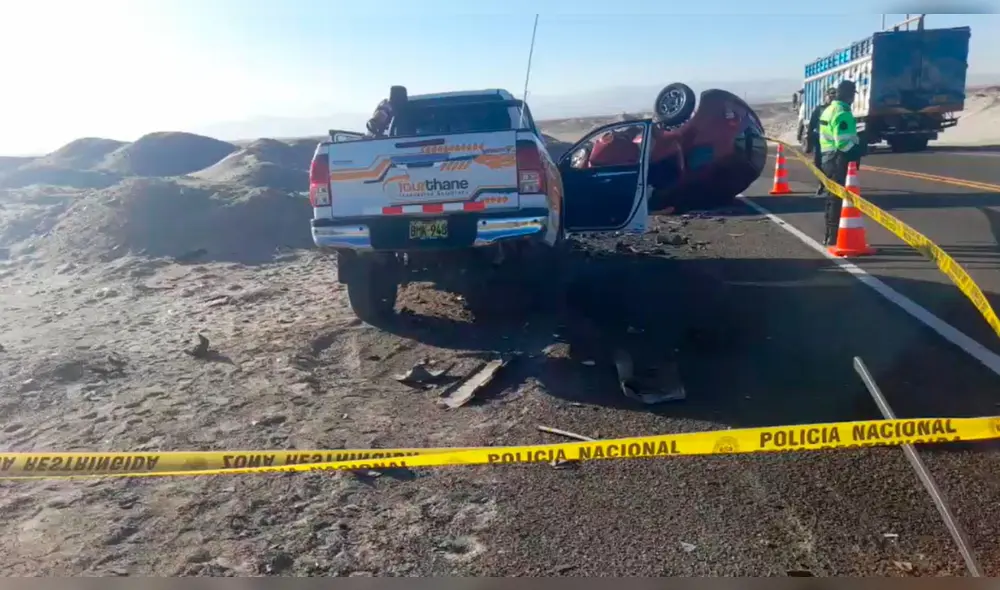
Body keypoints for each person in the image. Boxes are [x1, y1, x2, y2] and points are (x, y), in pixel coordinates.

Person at [818, 79, 864, 246]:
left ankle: (830, 234)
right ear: (848, 94)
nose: (853, 98)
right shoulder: (842, 112)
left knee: (832, 198)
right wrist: (861, 147)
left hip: (827, 158)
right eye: (852, 94)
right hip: (838, 159)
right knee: (838, 198)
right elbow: (843, 144)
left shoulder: (829, 110)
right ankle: (835, 236)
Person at [809, 86, 838, 195]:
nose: (831, 98)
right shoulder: (819, 109)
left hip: (833, 143)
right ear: (826, 97)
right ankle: (821, 183)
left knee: (832, 165)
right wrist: (809, 142)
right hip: (819, 141)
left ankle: (831, 185)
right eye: (830, 96)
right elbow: (812, 125)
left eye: (834, 96)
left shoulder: (837, 110)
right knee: (818, 164)